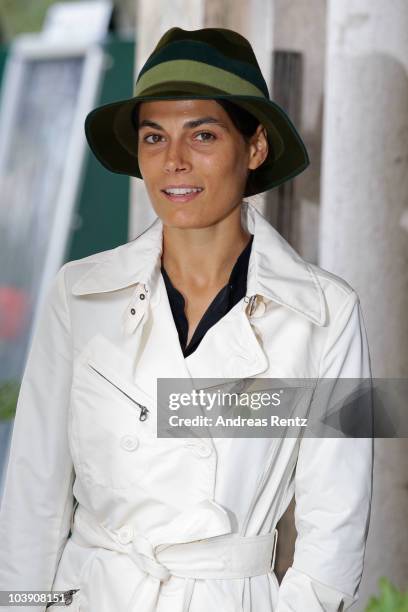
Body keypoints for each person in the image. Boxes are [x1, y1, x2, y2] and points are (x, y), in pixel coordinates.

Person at [0, 27, 373, 612]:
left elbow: (337, 526)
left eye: (202, 134)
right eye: (154, 137)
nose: (173, 161)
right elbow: (33, 494)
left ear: (255, 148)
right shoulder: (78, 294)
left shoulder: (328, 313)